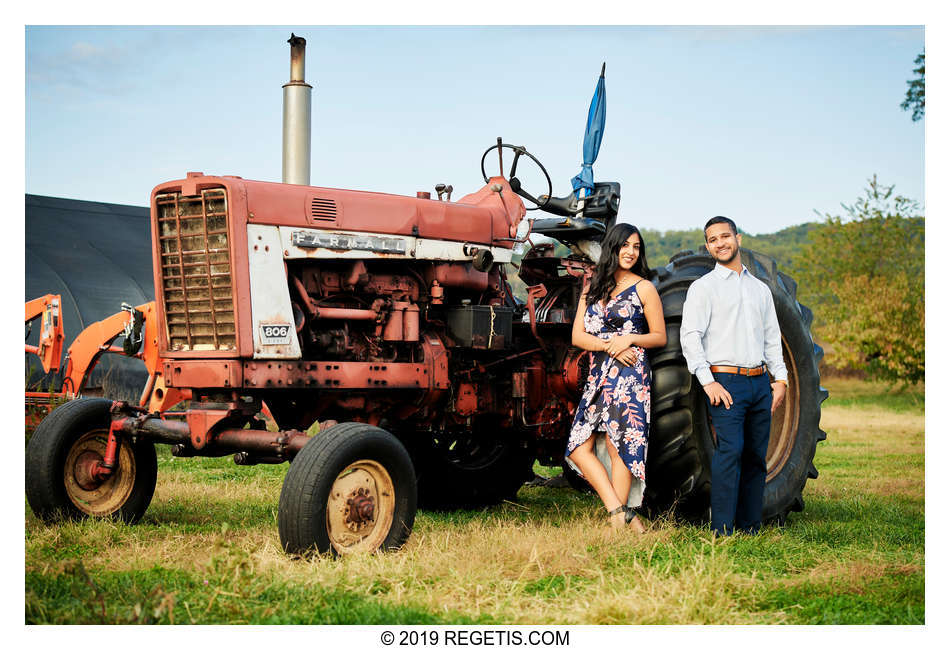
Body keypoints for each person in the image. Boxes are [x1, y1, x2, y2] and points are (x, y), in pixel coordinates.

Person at [680, 216, 787, 536]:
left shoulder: (760, 290)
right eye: (712, 240)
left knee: (756, 457)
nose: (720, 243)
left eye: (725, 236)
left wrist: (780, 380)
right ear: (708, 246)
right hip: (726, 382)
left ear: (738, 239)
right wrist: (707, 380)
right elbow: (690, 336)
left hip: (759, 382)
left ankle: (750, 526)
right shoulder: (703, 288)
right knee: (730, 453)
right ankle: (722, 529)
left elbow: (772, 337)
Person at [566, 222, 667, 532]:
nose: (631, 252)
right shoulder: (592, 287)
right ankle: (621, 513)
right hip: (600, 372)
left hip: (630, 373)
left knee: (617, 445)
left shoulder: (644, 287)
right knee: (578, 446)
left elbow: (659, 336)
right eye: (625, 246)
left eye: (636, 247)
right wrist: (611, 346)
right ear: (612, 247)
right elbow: (577, 337)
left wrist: (631, 340)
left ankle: (617, 525)